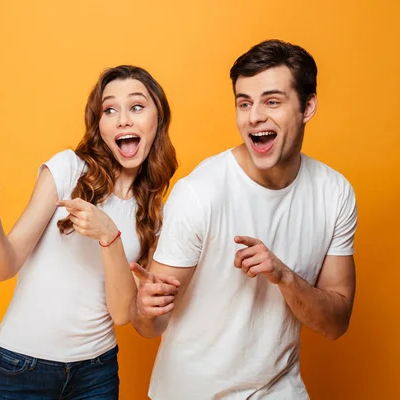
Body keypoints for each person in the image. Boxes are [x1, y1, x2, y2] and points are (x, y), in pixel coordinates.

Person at [129, 39, 358, 399]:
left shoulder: (335, 193)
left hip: (278, 387)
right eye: (244, 103)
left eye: (272, 101)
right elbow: (150, 324)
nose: (254, 117)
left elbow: (336, 323)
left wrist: (283, 276)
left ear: (307, 106)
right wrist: (142, 307)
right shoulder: (200, 193)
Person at [0, 65, 178, 399]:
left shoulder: (152, 211)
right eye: (110, 110)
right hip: (23, 366)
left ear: (158, 120)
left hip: (97, 371)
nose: (123, 120)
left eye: (136, 107)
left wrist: (110, 236)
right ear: (100, 125)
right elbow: (3, 267)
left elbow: (122, 313)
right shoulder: (68, 169)